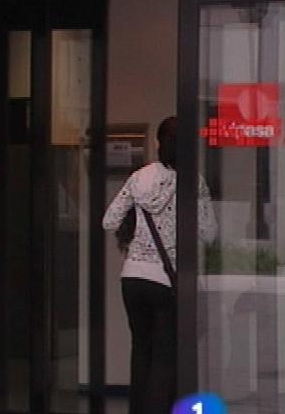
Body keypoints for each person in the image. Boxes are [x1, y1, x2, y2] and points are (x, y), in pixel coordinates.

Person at [102, 116, 216, 414]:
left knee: (141, 348)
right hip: (166, 279)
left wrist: (136, 226)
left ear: (157, 143)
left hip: (132, 277)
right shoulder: (193, 181)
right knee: (165, 355)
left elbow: (109, 221)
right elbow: (209, 232)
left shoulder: (138, 178)